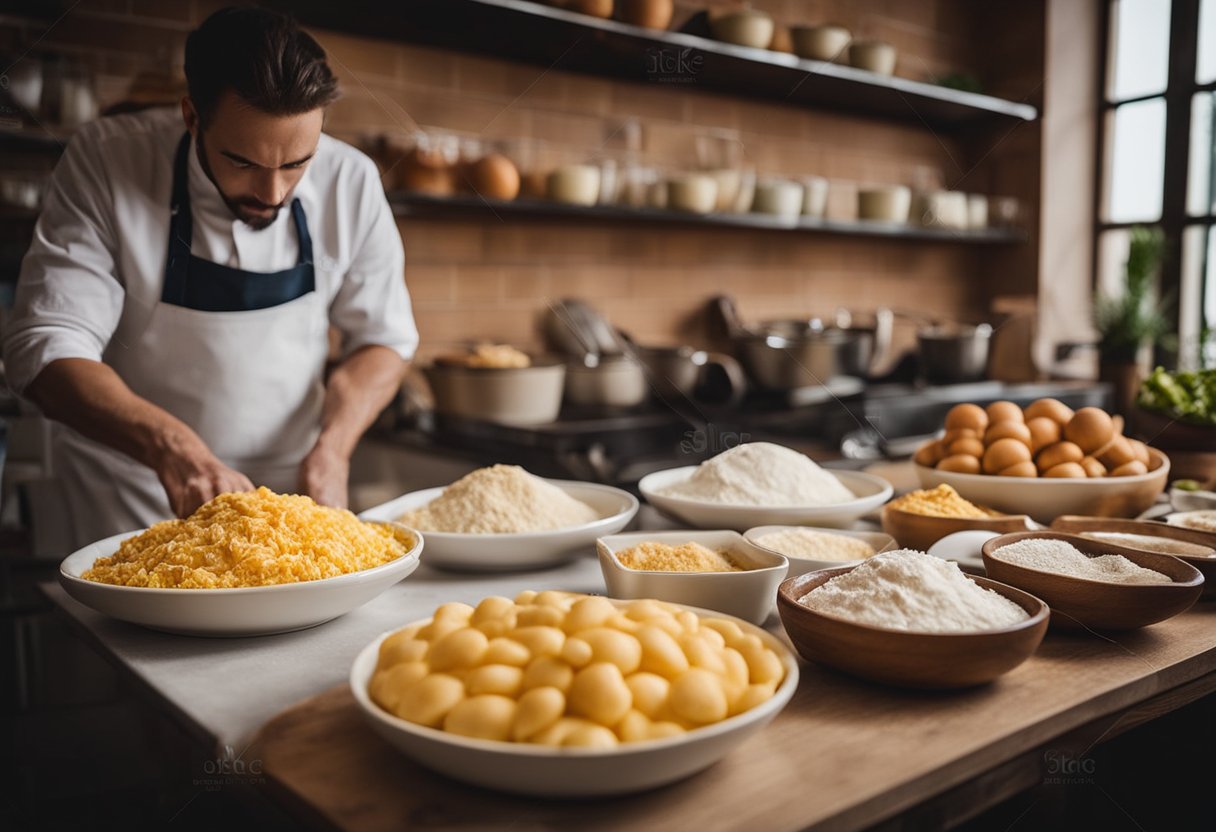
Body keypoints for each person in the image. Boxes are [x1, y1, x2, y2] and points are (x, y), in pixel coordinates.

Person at [2, 7, 418, 550]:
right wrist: (175, 449)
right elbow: (45, 346)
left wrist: (334, 448)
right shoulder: (108, 160)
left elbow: (383, 339)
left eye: (297, 163)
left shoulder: (351, 180)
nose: (273, 194)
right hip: (130, 495)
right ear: (191, 116)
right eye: (243, 162)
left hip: (291, 500)